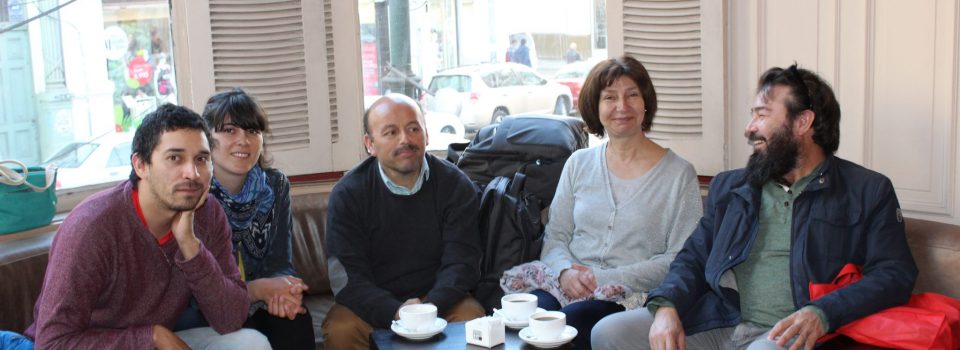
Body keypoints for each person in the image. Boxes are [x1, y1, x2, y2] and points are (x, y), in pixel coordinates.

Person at [592, 64, 918, 350]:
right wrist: (666, 305)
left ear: (802, 122)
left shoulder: (866, 190)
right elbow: (693, 256)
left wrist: (823, 312)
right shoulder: (732, 186)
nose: (750, 128)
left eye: (762, 115)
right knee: (610, 333)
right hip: (720, 321)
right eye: (753, 115)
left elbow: (894, 273)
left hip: (790, 333)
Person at [24, 104, 270, 349]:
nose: (192, 173)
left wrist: (190, 245)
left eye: (201, 159)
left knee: (251, 343)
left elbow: (231, 319)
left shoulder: (207, 212)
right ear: (140, 165)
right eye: (175, 158)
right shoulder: (93, 226)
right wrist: (151, 337)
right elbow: (51, 344)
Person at [530, 55, 702, 349]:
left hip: (629, 295)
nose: (622, 106)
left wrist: (602, 277)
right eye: (610, 97)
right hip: (567, 283)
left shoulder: (679, 174)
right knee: (528, 315)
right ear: (596, 108)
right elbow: (556, 234)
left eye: (632, 95)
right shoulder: (578, 164)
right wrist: (564, 271)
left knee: (571, 323)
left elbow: (680, 259)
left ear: (645, 102)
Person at [322, 93, 485, 349]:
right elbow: (347, 278)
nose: (405, 140)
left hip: (439, 299)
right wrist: (396, 311)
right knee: (341, 329)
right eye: (390, 132)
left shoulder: (455, 186)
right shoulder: (348, 194)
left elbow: (462, 263)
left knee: (470, 318)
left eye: (413, 129)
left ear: (426, 135)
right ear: (370, 144)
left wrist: (428, 308)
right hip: (375, 303)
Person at [200, 88, 315, 349]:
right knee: (248, 334)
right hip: (211, 311)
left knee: (295, 321)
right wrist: (260, 289)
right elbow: (201, 292)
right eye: (229, 130)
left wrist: (285, 291)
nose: (244, 140)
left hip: (260, 301)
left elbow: (280, 262)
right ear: (207, 139)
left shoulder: (275, 185)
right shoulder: (196, 196)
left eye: (252, 131)